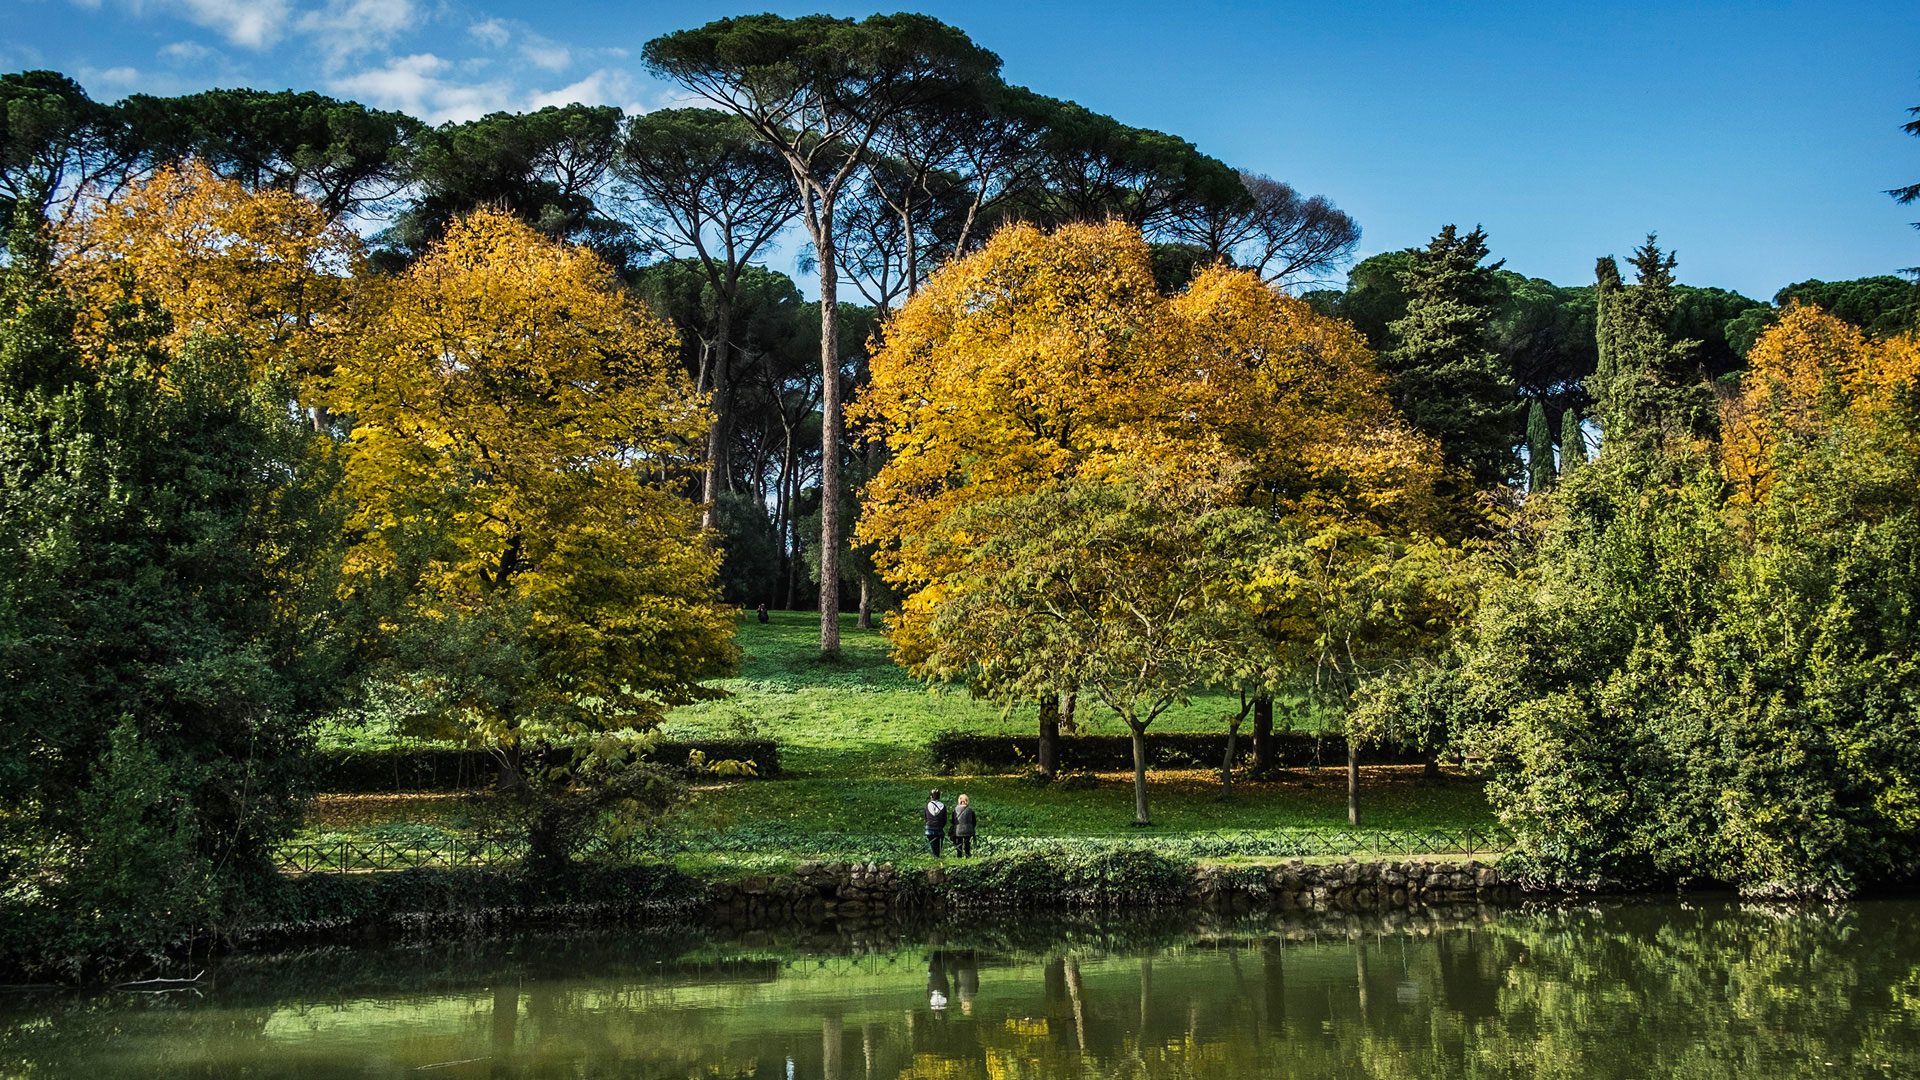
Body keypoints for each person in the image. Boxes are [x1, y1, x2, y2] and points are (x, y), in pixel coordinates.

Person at [949, 793, 976, 858]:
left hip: (958, 830)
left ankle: (959, 855)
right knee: (967, 843)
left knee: (959, 843)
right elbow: (974, 821)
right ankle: (967, 855)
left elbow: (953, 821)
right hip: (968, 830)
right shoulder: (970, 810)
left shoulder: (955, 809)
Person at [924, 789, 948, 856]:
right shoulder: (943, 806)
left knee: (932, 844)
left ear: (931, 796)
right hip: (939, 829)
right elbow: (944, 820)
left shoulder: (927, 805)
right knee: (939, 844)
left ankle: (934, 856)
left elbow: (926, 818)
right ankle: (937, 855)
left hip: (929, 828)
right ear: (939, 797)